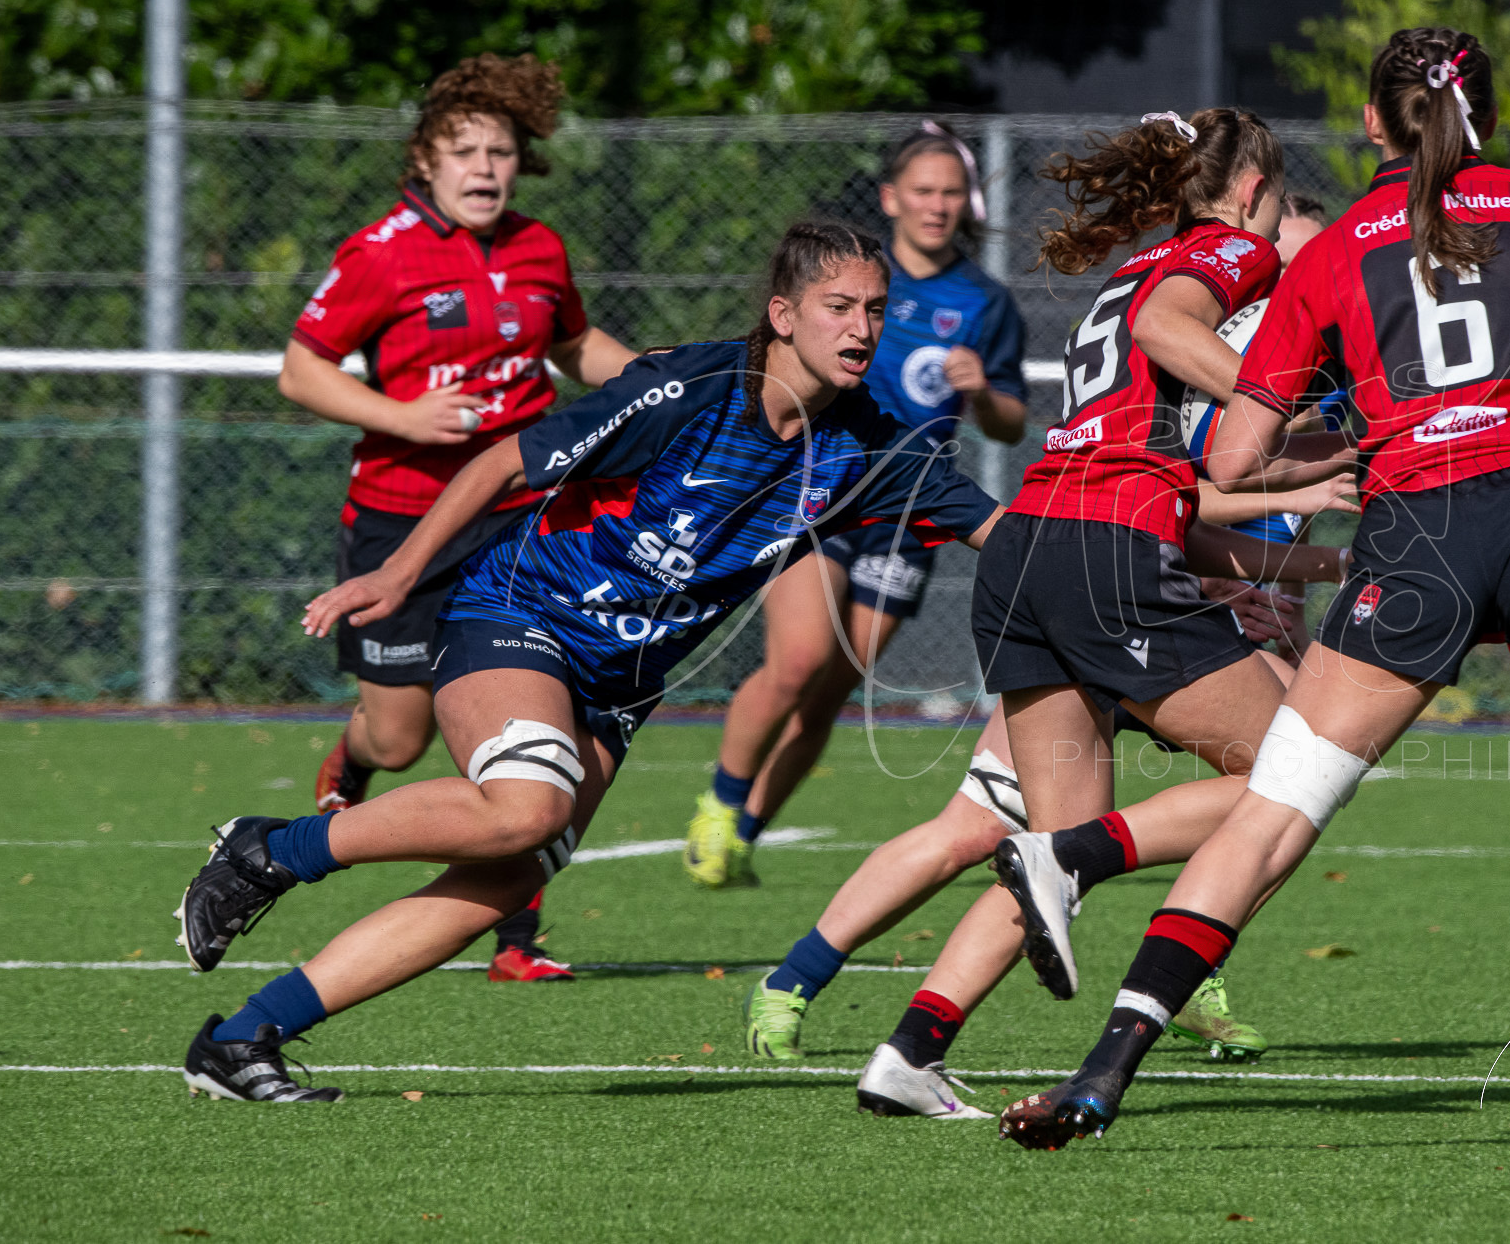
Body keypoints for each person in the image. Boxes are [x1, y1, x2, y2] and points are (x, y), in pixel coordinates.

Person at [996, 27, 1510, 1166]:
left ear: (1373, 126)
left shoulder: (1332, 254)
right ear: (1485, 109)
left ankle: (1103, 1071)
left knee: (1279, 806)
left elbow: (1230, 463)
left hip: (1416, 528)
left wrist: (1327, 437)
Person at [171, 221, 1008, 1102]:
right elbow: (504, 461)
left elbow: (1007, 534)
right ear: (784, 314)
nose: (862, 328)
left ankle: (240, 1040)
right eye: (839, 307)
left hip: (619, 686)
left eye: (876, 310)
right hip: (519, 611)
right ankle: (274, 848)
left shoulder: (870, 445)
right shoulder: (690, 388)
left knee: (505, 882)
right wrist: (398, 572)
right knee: (525, 805)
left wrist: (1129, 548)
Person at [842, 107, 1359, 1119]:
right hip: (1106, 543)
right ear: (1253, 194)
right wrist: (1285, 410)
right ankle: (1067, 860)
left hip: (1030, 541)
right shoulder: (1225, 251)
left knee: (1052, 848)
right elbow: (1175, 343)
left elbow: (1176, 404)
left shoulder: (1147, 260)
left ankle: (909, 1053)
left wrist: (1319, 458)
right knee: (1294, 769)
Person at [737, 473, 1355, 1072]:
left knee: (1300, 787)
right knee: (978, 832)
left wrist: (1290, 621)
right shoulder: (1234, 414)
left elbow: (1280, 583)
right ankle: (793, 981)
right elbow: (1174, 505)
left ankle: (1189, 968)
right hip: (1116, 614)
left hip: (1195, 643)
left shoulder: (1326, 441)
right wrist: (1265, 549)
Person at [276, 54, 638, 982]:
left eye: (502, 151)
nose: (485, 167)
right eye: (464, 150)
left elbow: (574, 345)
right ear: (425, 161)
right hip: (400, 528)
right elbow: (300, 369)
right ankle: (352, 763)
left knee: (530, 730)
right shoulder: (381, 253)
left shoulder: (539, 249)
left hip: (518, 517)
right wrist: (401, 416)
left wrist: (662, 386)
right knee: (400, 737)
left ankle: (513, 935)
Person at [686, 123, 1028, 888]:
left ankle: (746, 828)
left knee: (834, 685)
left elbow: (1008, 420)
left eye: (949, 192)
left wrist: (982, 391)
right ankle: (718, 802)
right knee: (799, 657)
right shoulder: (856, 277)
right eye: (922, 191)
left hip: (905, 514)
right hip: (820, 493)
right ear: (891, 198)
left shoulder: (984, 302)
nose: (937, 206)